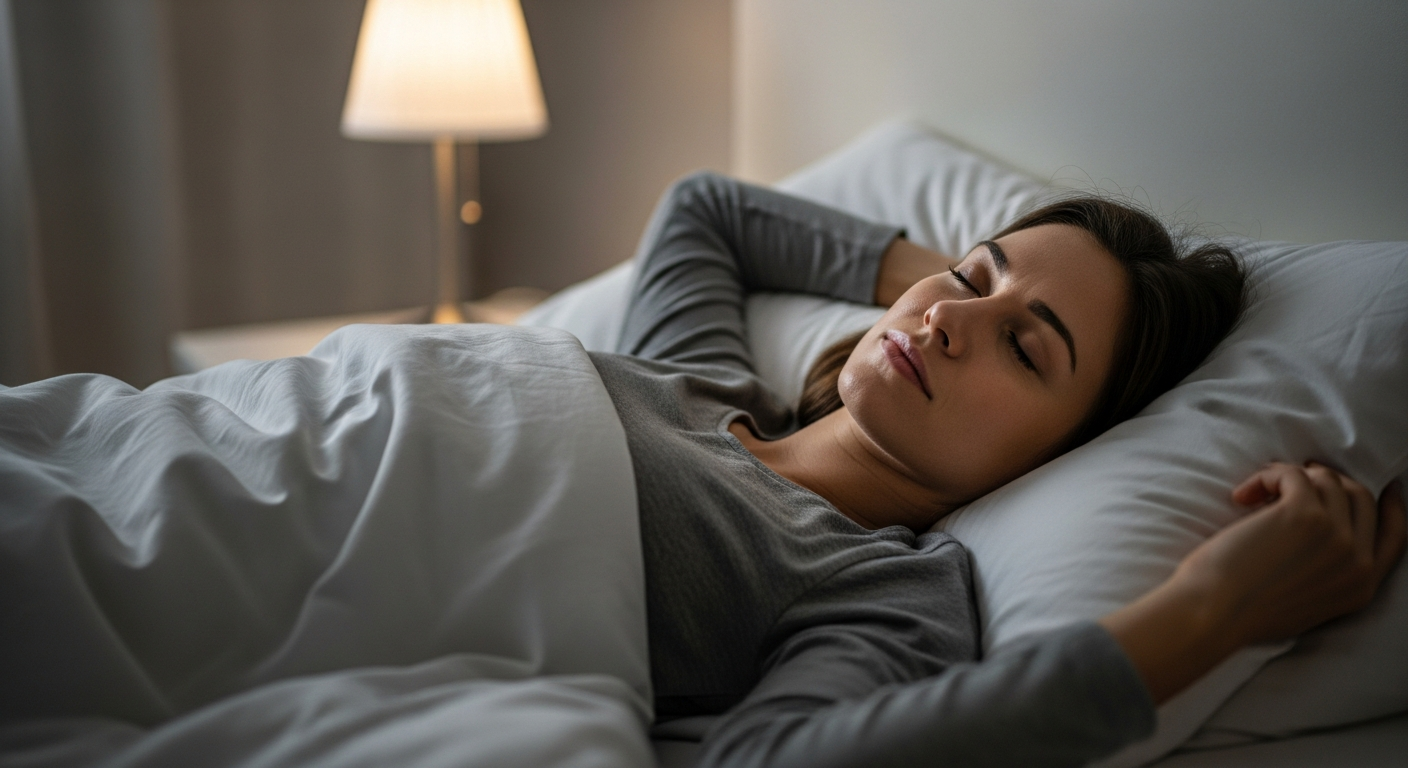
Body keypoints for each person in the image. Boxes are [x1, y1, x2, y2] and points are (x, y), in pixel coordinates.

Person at [593, 171, 1406, 767]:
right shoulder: (700, 381)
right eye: (967, 279)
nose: (945, 316)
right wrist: (981, 292)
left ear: (1065, 453)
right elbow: (708, 212)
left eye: (1023, 346)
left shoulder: (877, 595)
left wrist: (1209, 613)